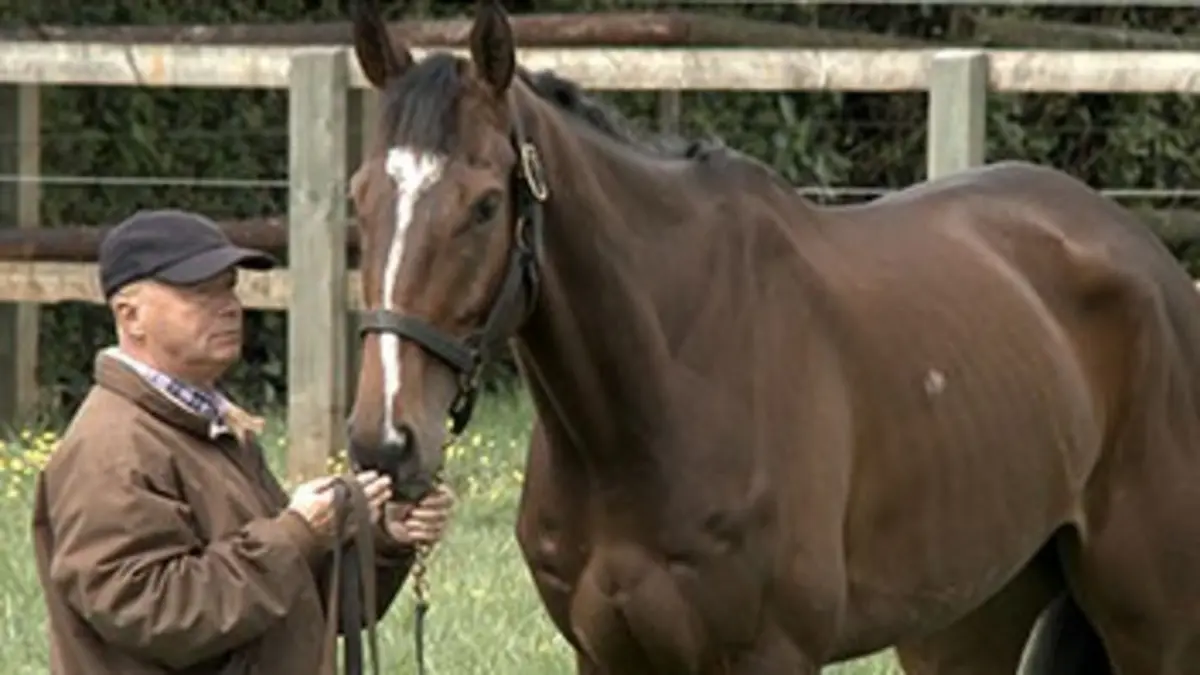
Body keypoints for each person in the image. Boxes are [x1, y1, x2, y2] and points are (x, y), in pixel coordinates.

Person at [29, 209, 456, 674]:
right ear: (129, 316)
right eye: (199, 291)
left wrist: (385, 537)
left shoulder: (204, 427)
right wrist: (296, 533)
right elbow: (157, 614)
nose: (229, 305)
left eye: (228, 286)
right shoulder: (111, 449)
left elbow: (295, 602)